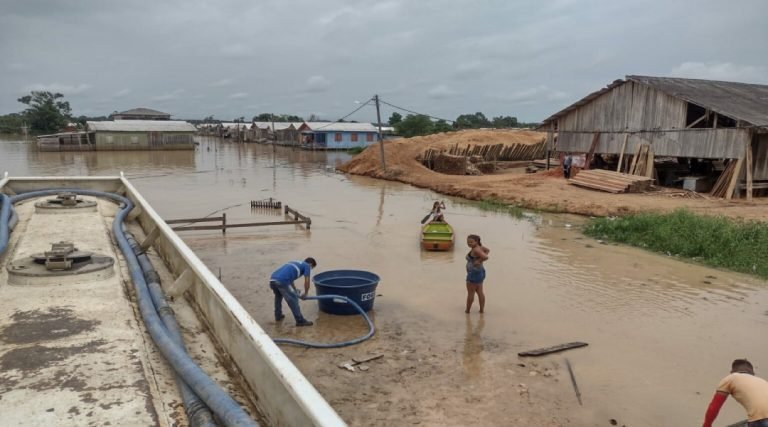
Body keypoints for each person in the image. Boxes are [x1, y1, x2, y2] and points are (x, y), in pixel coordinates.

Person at [702, 359, 768, 427]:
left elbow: (714, 407)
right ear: (753, 373)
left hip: (761, 419)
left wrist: (706, 425)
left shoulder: (730, 378)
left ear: (732, 372)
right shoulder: (764, 381)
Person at [269, 258, 317, 326]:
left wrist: (294, 290)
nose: (310, 269)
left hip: (273, 279)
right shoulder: (307, 266)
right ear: (311, 264)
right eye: (312, 268)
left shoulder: (295, 263)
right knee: (293, 300)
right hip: (282, 281)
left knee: (278, 297)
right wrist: (306, 293)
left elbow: (290, 280)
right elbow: (307, 281)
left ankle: (278, 315)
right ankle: (300, 321)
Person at [465, 234, 490, 313]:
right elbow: (487, 250)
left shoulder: (476, 250)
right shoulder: (479, 247)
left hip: (474, 274)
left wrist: (479, 261)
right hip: (480, 272)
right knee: (480, 292)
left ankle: (467, 311)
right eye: (468, 242)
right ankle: (481, 310)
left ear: (477, 241)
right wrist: (479, 260)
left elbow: (485, 257)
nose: (469, 244)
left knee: (470, 294)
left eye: (471, 242)